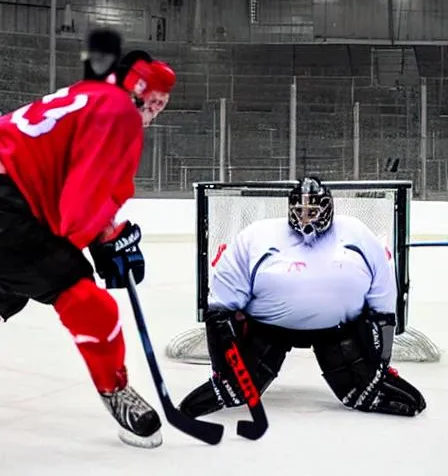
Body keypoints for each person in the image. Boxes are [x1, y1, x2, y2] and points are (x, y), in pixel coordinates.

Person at [0, 28, 176, 449]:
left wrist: (105, 234)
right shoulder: (117, 111)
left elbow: (63, 179)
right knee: (89, 303)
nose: (154, 110)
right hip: (8, 206)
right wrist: (108, 239)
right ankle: (115, 390)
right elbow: (79, 207)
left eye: (160, 103)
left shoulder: (84, 96)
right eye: (151, 100)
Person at [179, 176, 426, 419]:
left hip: (340, 335)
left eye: (314, 210)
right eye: (299, 210)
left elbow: (382, 307)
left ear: (329, 208)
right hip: (266, 333)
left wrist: (379, 364)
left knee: (385, 397)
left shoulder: (358, 234)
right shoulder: (256, 235)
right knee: (232, 392)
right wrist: (224, 368)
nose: (306, 218)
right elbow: (220, 308)